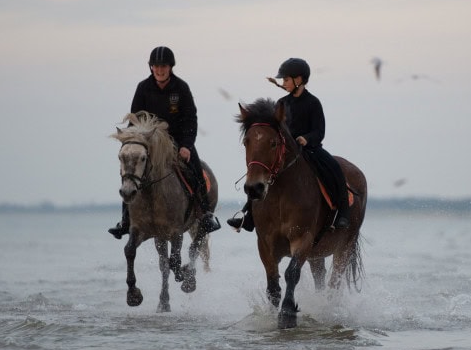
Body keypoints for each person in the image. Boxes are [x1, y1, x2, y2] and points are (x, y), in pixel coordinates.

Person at [109, 46, 221, 238]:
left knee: (197, 172)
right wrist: (129, 141)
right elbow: (135, 118)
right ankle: (125, 220)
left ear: (170, 67)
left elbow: (190, 118)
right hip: (149, 143)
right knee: (130, 173)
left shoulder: (181, 87)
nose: (160, 70)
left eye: (164, 66)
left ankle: (205, 215)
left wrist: (186, 145)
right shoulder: (143, 88)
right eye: (156, 66)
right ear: (151, 67)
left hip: (178, 142)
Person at [228, 57, 350, 232]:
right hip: (286, 150)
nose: (283, 83)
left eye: (286, 79)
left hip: (310, 149)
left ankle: (343, 213)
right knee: (260, 173)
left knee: (335, 168)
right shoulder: (281, 103)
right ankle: (249, 217)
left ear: (298, 80)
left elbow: (319, 131)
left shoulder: (313, 103)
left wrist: (306, 139)